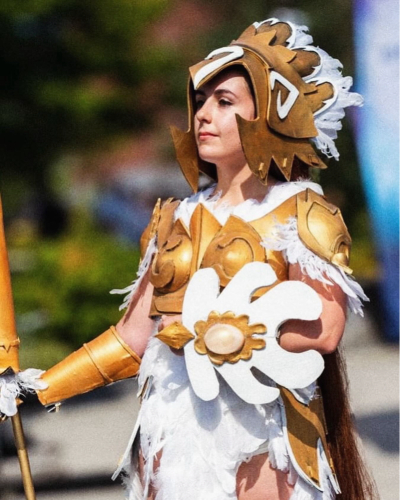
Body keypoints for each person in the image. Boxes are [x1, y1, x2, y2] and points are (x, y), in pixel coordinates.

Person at [34, 19, 377, 500]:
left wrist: (211, 334)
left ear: (269, 115)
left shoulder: (303, 213)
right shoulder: (173, 218)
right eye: (199, 101)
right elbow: (134, 339)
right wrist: (39, 388)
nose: (203, 115)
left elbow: (324, 330)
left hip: (263, 434)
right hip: (173, 434)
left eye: (224, 102)